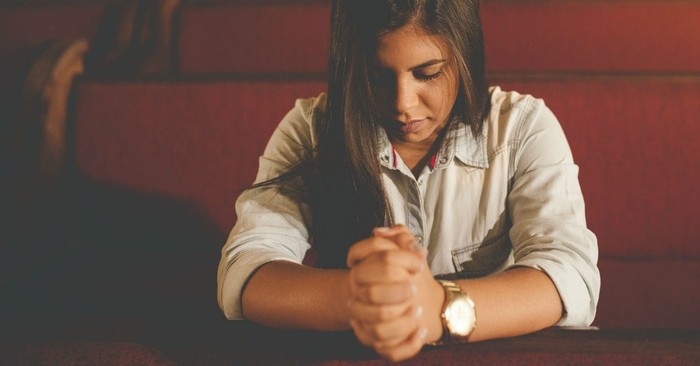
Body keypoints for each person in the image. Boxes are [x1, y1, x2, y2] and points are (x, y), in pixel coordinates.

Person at [217, 0, 599, 362]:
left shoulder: (521, 128)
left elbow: (569, 275)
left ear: (465, 56)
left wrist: (437, 307)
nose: (403, 103)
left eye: (427, 73)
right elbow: (246, 269)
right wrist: (357, 297)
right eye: (376, 77)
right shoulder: (313, 129)